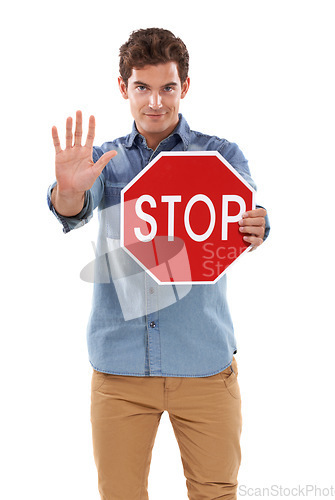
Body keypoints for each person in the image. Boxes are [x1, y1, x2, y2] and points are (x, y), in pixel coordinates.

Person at [47, 27, 270, 500]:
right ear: (123, 87)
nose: (155, 102)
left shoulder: (222, 156)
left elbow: (246, 215)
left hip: (205, 364)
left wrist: (259, 225)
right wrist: (68, 192)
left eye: (167, 87)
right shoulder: (103, 162)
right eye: (142, 88)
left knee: (216, 494)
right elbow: (74, 208)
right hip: (119, 370)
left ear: (183, 87)